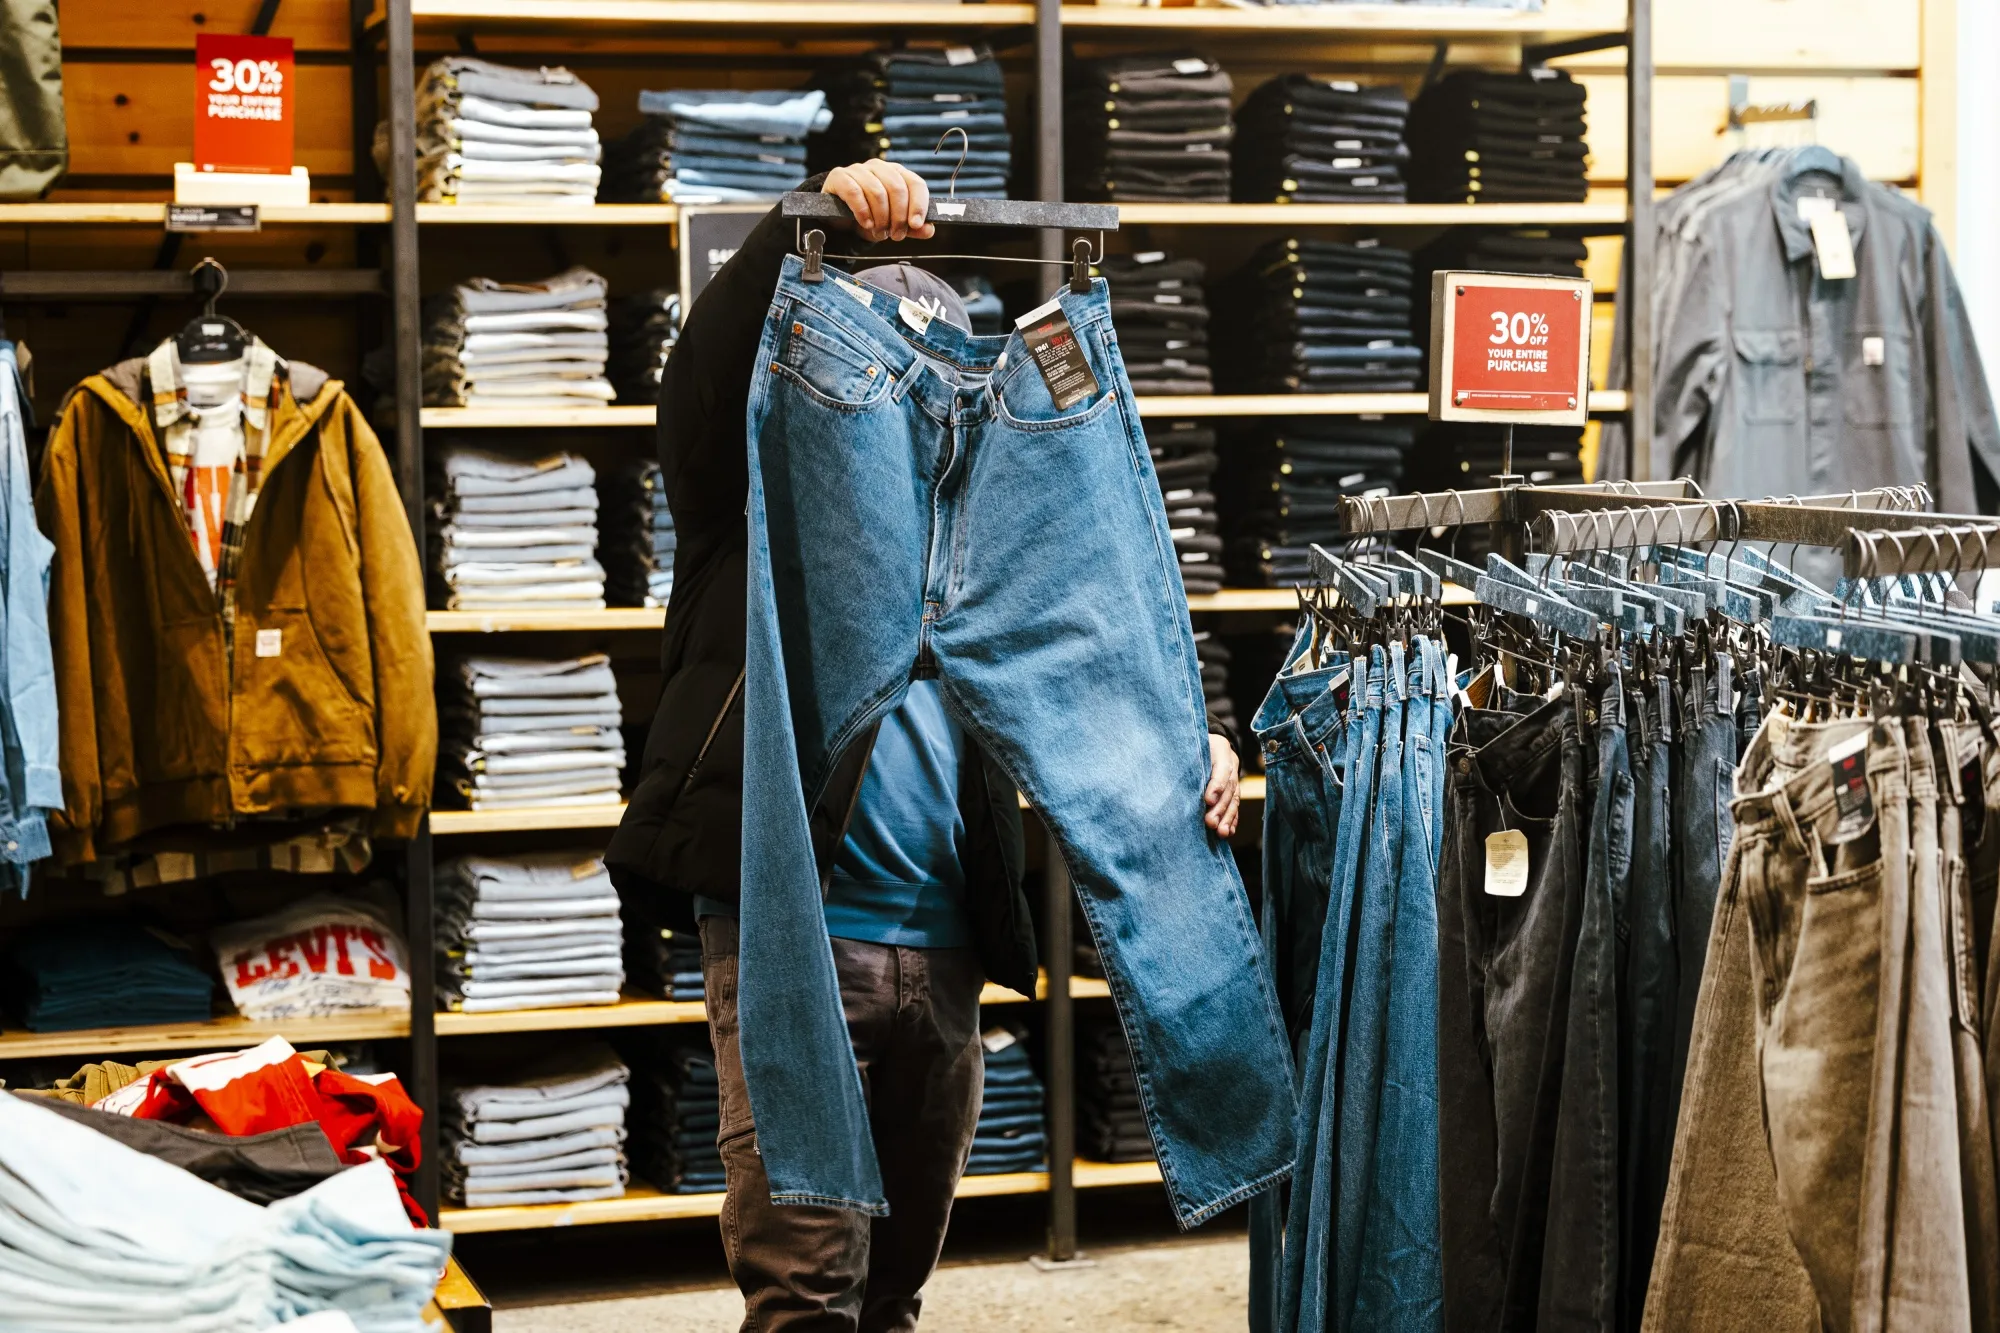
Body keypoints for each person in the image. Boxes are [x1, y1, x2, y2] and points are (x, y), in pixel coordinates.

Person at [607, 159, 1242, 1332]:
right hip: (797, 938)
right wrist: (813, 215)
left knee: (895, 1287)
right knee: (805, 1286)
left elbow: (1079, 674)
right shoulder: (746, 514)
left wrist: (1180, 752)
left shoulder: (989, 554)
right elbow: (699, 384)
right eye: (879, 375)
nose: (917, 405)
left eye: (939, 378)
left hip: (943, 953)